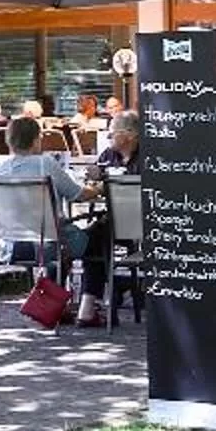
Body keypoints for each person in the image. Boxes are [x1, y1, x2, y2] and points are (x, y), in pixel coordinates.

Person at [0, 113, 89, 315]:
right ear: (36, 140)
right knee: (93, 242)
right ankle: (83, 306)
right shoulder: (46, 164)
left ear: (9, 141)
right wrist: (100, 188)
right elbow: (77, 194)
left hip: (12, 247)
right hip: (46, 246)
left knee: (59, 245)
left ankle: (51, 306)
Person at [77, 110, 142, 323]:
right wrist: (92, 178)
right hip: (113, 221)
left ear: (130, 135)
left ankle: (91, 303)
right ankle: (94, 301)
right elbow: (94, 183)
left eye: (112, 133)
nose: (108, 137)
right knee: (95, 238)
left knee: (92, 239)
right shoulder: (108, 156)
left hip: (144, 221)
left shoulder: (148, 157)